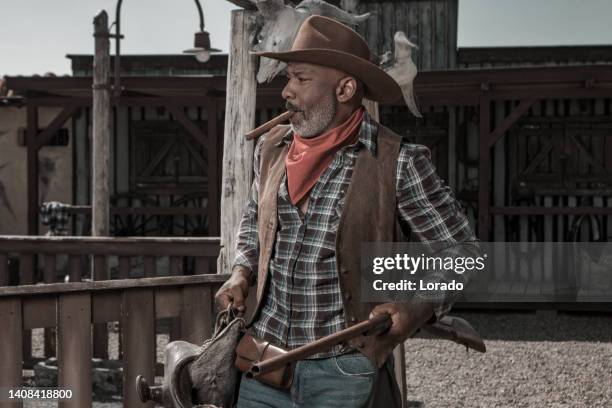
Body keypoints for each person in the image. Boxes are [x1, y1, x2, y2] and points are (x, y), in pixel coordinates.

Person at [215, 15, 477, 408]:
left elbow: (463, 254)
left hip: (344, 371)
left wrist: (413, 307)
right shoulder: (270, 150)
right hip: (261, 365)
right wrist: (241, 272)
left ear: (345, 88)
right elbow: (254, 223)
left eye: (300, 79)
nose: (286, 91)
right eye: (288, 78)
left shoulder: (397, 162)